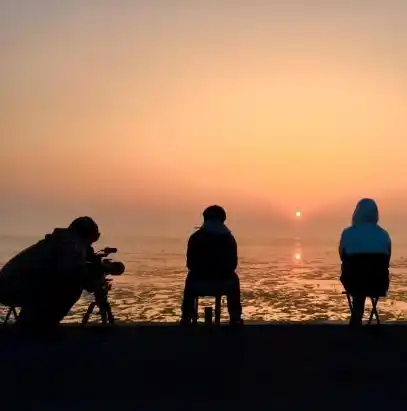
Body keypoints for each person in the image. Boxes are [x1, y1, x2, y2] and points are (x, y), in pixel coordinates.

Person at [0, 216, 100, 330]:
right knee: (72, 287)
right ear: (86, 235)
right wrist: (92, 279)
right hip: (11, 287)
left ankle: (31, 324)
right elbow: (72, 273)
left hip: (11, 284)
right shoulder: (70, 245)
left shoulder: (58, 241)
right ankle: (39, 327)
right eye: (93, 239)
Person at [181, 205, 243, 325]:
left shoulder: (195, 238)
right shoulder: (229, 239)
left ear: (205, 219)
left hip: (198, 283)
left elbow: (190, 265)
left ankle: (186, 316)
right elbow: (233, 265)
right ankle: (235, 316)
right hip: (224, 283)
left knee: (190, 277)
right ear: (223, 219)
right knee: (234, 278)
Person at [339, 198, 391, 326]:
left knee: (356, 274)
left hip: (353, 282)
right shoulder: (384, 235)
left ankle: (356, 317)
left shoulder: (348, 233)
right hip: (378, 284)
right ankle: (358, 316)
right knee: (365, 275)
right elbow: (387, 260)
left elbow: (342, 255)